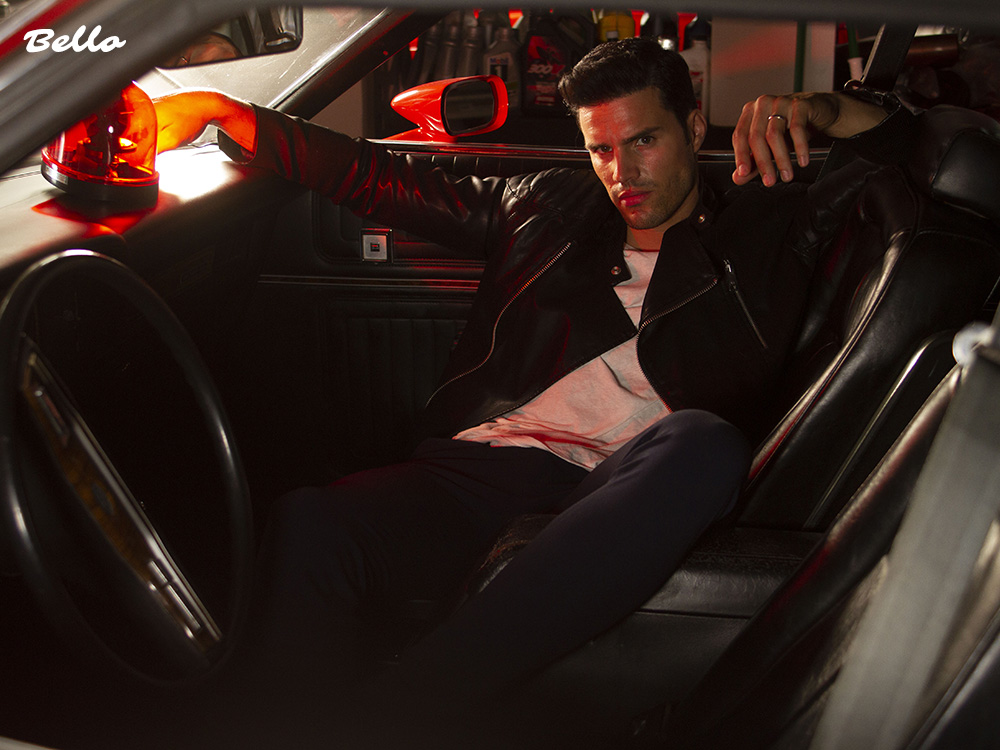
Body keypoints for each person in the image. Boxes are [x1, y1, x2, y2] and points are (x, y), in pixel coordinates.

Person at [154, 37, 913, 748]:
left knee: (705, 441)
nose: (623, 173)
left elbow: (920, 158)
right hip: (478, 474)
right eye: (602, 150)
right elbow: (378, 179)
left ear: (690, 127)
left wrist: (826, 108)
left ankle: (411, 704)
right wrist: (231, 115)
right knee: (309, 519)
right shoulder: (548, 206)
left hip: (628, 485)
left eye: (644, 141)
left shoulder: (770, 223)